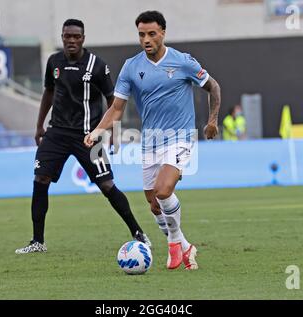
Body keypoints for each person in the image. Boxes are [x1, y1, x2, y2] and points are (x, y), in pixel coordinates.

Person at [84, 11, 221, 270]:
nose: (146, 39)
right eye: (141, 34)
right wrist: (97, 132)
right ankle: (184, 244)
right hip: (151, 141)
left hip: (179, 136)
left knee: (163, 190)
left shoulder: (183, 62)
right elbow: (116, 108)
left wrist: (212, 120)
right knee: (154, 204)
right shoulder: (131, 67)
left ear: (163, 33)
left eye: (151, 34)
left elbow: (213, 86)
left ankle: (172, 246)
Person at [15, 19, 150, 254]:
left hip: (89, 136)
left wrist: (112, 131)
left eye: (76, 37)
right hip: (56, 133)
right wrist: (39, 126)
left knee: (107, 185)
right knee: (40, 181)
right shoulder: (54, 62)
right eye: (67, 36)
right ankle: (37, 241)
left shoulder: (97, 66)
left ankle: (138, 232)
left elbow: (113, 100)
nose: (71, 41)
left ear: (83, 38)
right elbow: (48, 92)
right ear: (62, 37)